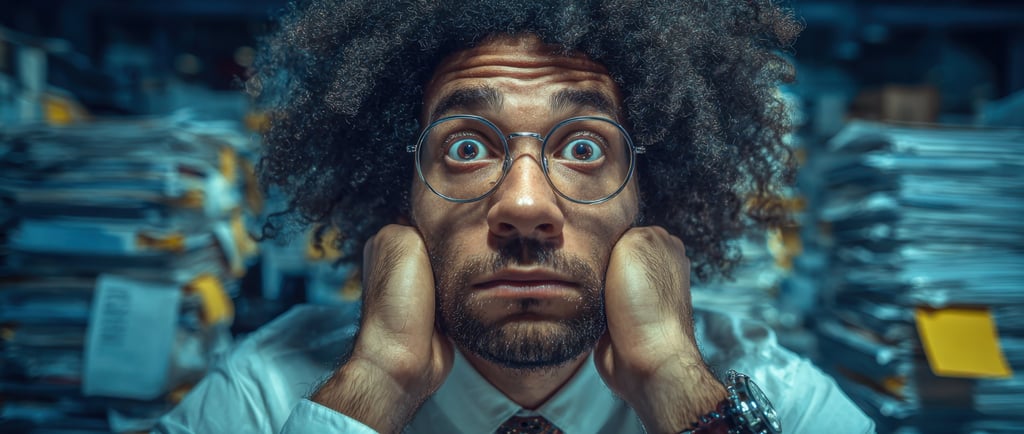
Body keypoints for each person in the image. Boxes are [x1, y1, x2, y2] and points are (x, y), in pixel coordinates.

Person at [156, 0, 875, 433]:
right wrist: (373, 385)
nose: (525, 206)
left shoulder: (768, 392)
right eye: (466, 147)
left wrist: (677, 387)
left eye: (584, 146)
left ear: (646, 194)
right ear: (397, 190)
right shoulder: (268, 393)